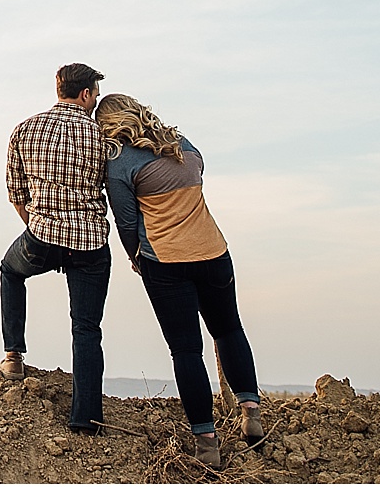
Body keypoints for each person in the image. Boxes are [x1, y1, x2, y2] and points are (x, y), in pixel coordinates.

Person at [97, 92, 263, 468]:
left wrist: (135, 256)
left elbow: (126, 222)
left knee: (186, 350)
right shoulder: (181, 144)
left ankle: (206, 439)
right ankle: (250, 409)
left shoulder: (119, 163)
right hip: (214, 252)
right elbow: (199, 175)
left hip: (166, 261)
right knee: (229, 330)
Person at [0, 62, 113, 435]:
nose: (95, 100)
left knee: (10, 271)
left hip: (42, 237)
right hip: (91, 243)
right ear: (85, 94)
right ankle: (87, 419)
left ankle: (13, 356)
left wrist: (41, 225)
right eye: (95, 94)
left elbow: (17, 194)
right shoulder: (102, 138)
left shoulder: (25, 129)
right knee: (86, 328)